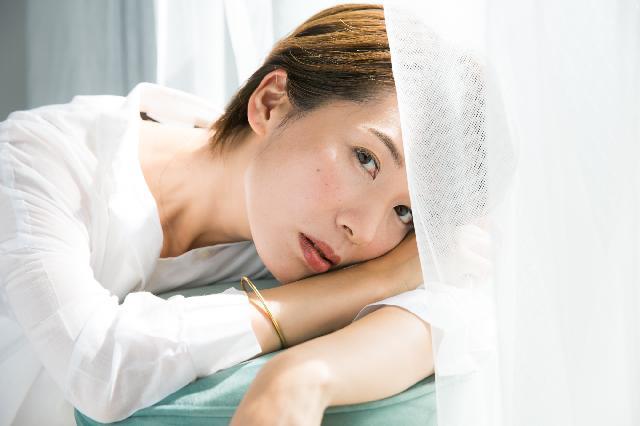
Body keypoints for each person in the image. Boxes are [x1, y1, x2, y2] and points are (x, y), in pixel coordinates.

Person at [0, 4, 470, 425]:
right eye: (366, 159)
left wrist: (304, 376)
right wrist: (373, 282)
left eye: (404, 212)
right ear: (270, 103)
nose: (363, 230)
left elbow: (462, 309)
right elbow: (98, 369)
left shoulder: (290, 230)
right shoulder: (34, 163)